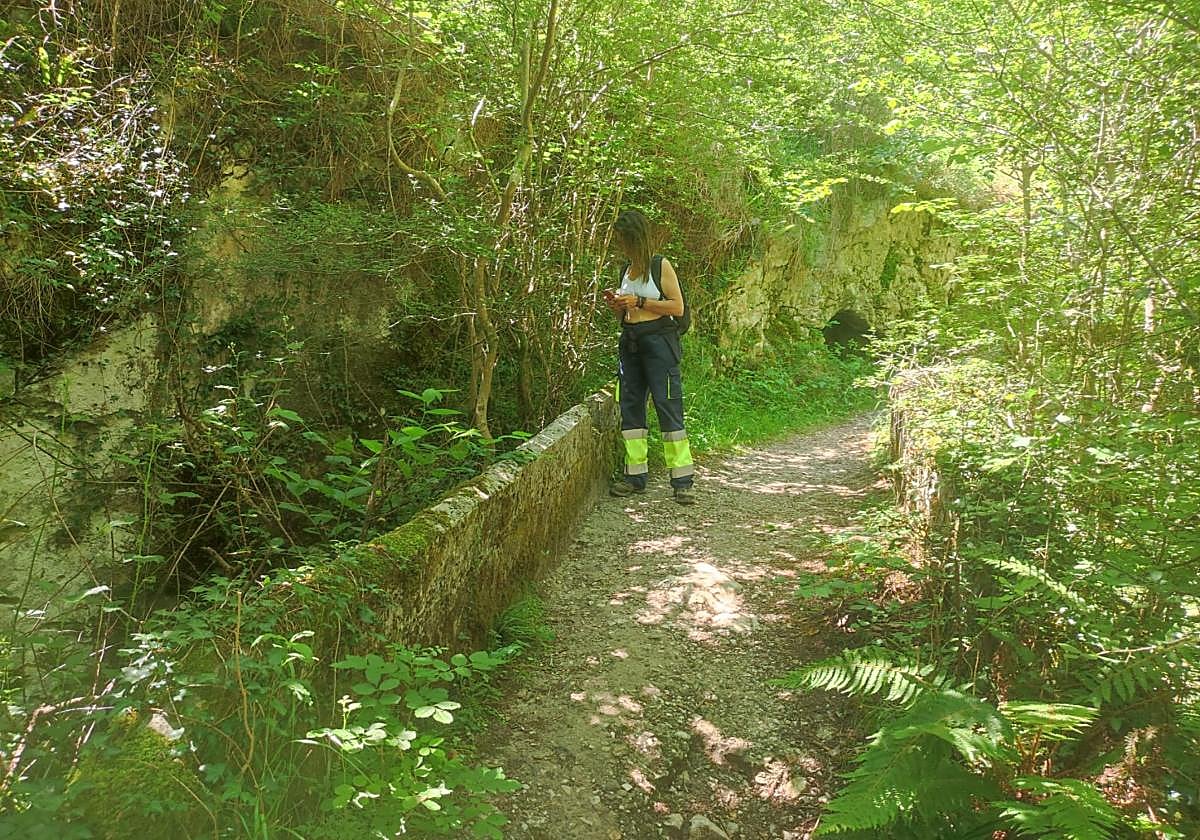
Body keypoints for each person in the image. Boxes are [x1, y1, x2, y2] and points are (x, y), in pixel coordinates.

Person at [603, 209, 695, 505]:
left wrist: (640, 301)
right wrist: (619, 306)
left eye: (624, 239)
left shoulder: (660, 266)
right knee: (631, 409)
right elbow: (630, 310)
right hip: (630, 345)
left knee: (668, 407)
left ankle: (682, 482)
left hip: (659, 344)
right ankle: (635, 477)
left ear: (636, 238)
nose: (621, 245)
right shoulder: (625, 270)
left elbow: (677, 307)